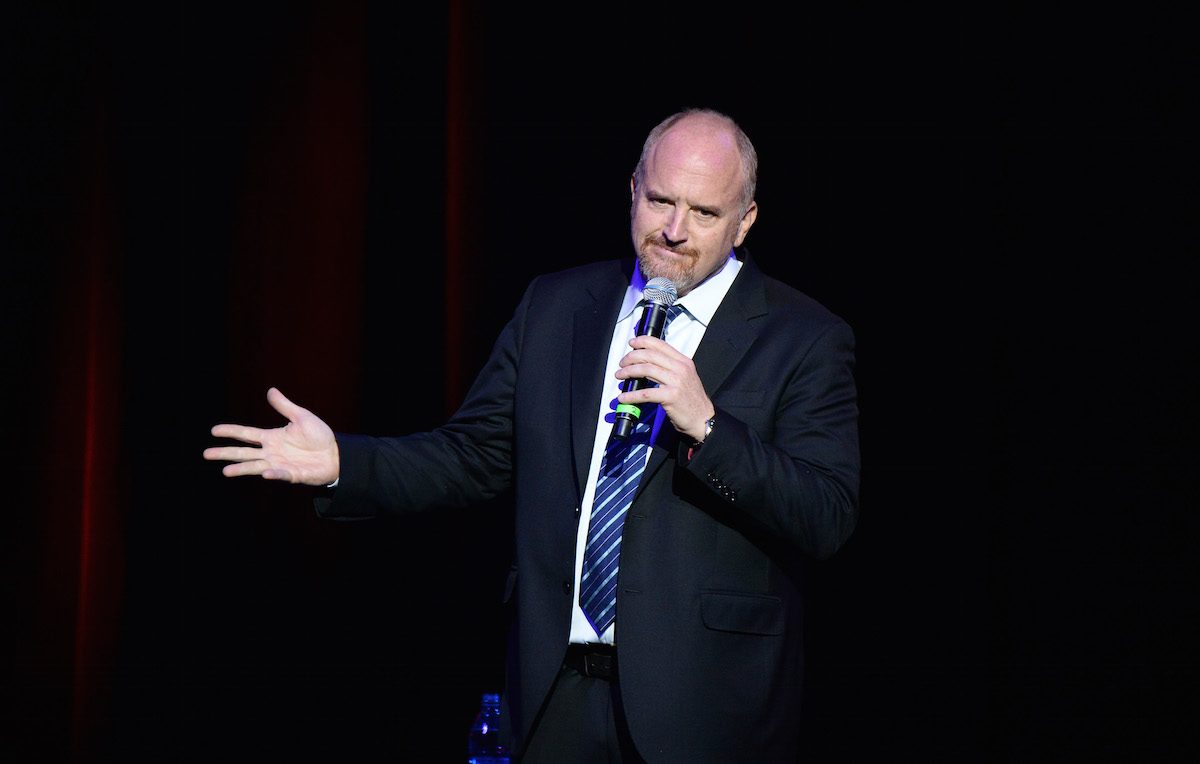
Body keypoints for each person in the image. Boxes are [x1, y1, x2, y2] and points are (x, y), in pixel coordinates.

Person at [204, 108, 860, 762]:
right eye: (660, 200)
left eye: (705, 213)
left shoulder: (802, 337)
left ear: (744, 221)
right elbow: (471, 457)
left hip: (706, 708)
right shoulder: (556, 306)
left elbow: (826, 514)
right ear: (633, 188)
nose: (673, 230)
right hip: (555, 697)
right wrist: (344, 463)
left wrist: (707, 426)